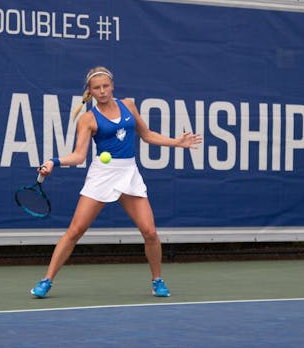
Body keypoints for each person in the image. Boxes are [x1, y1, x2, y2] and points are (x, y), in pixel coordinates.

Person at [30, 66, 202, 298]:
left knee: (150, 231)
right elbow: (79, 155)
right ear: (90, 92)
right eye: (96, 88)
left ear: (112, 86)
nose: (102, 91)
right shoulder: (88, 119)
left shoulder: (128, 105)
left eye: (105, 86)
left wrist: (176, 142)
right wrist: (54, 161)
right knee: (75, 230)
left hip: (128, 173)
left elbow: (147, 134)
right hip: (102, 175)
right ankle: (46, 280)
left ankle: (157, 280)